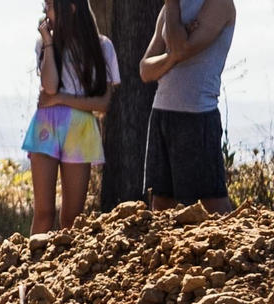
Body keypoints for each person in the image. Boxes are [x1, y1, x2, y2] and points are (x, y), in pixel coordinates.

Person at [22, 0, 121, 235]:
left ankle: (68, 269)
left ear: (72, 7)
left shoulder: (102, 46)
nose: (46, 10)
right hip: (46, 126)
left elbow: (103, 103)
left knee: (71, 218)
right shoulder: (44, 43)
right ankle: (34, 266)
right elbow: (50, 87)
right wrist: (47, 40)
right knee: (43, 213)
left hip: (81, 130)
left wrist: (60, 100)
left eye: (51, 5)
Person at [139, 0, 237, 214]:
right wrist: (174, 54)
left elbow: (183, 47)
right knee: (161, 203)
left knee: (213, 202)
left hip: (197, 115)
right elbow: (145, 70)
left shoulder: (219, 4)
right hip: (162, 113)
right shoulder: (168, 9)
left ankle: (241, 248)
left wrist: (175, 50)